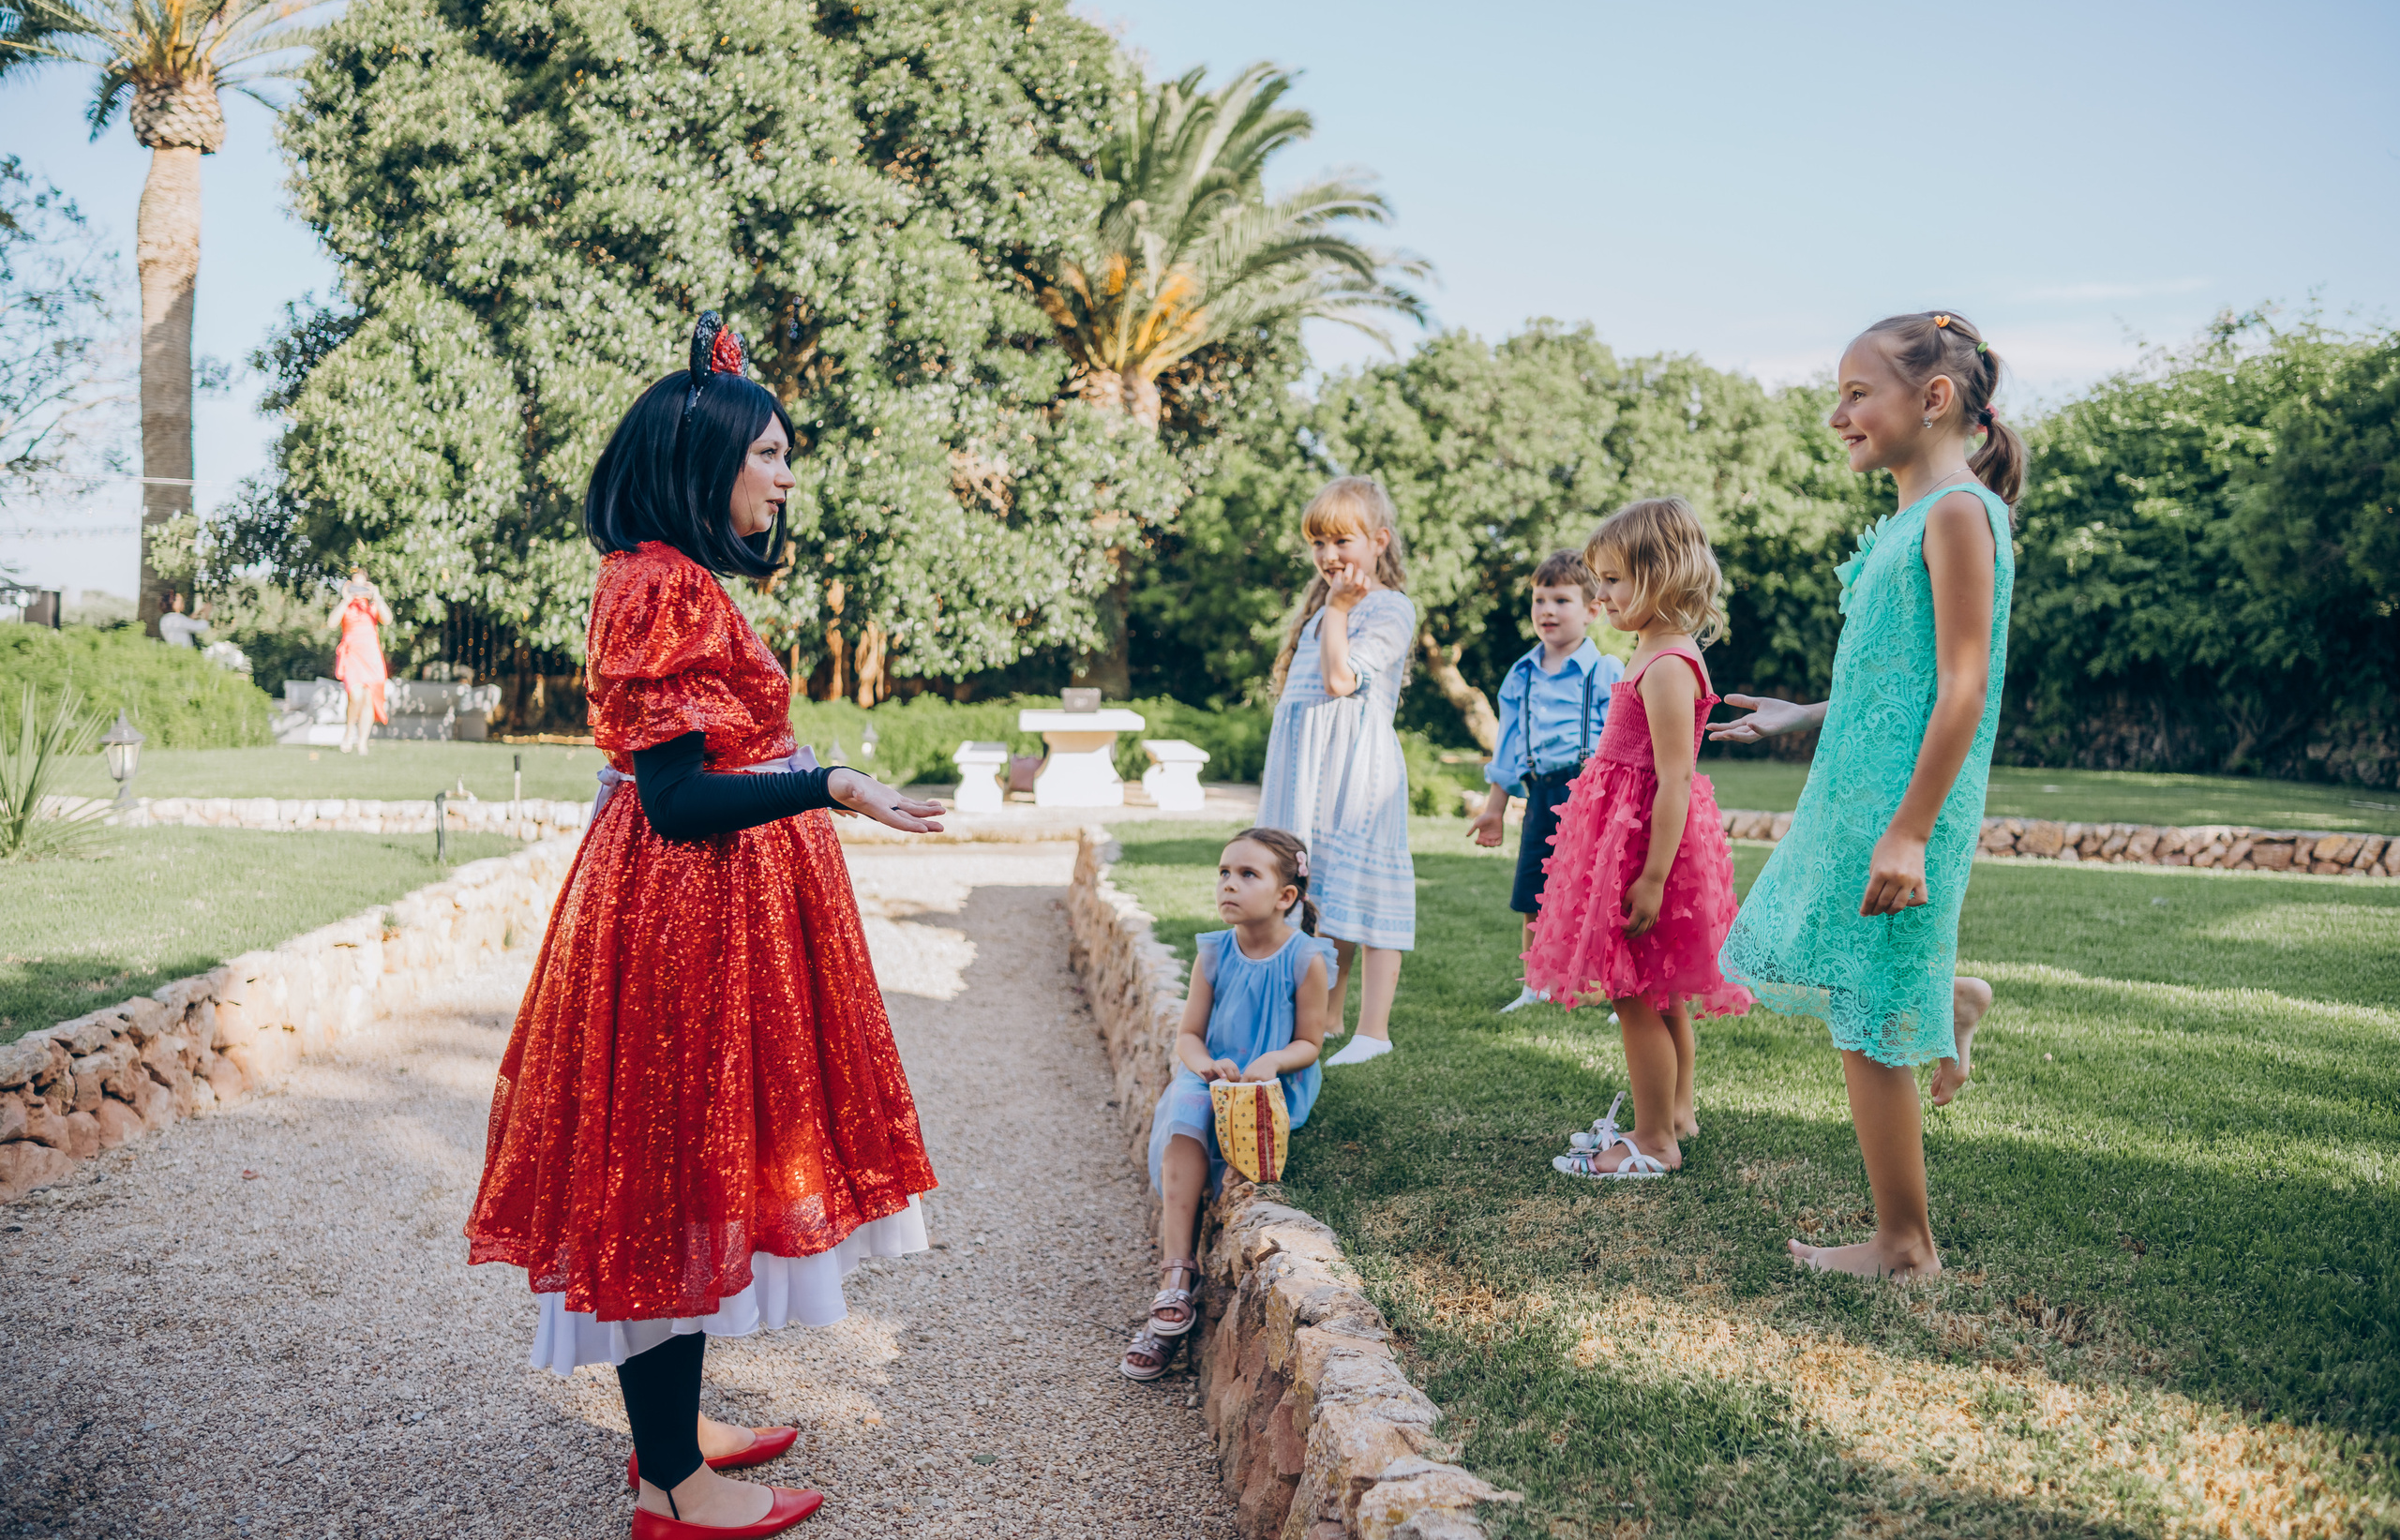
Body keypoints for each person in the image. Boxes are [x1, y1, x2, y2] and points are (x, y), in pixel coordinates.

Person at [465, 314, 946, 1537]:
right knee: (672, 1176)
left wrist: (813, 777)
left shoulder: (660, 575)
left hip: (701, 910)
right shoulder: (664, 583)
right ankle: (675, 1485)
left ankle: (671, 1440)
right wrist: (832, 784)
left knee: (685, 1171)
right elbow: (677, 800)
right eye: (772, 452)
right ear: (710, 461)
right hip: (687, 918)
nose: (786, 474)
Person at [1713, 310, 2020, 1278]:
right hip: (1857, 789)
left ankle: (1903, 1244)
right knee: (1858, 969)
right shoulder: (1907, 519)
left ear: (1932, 400)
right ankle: (1952, 1002)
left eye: (1856, 392)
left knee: (1864, 997)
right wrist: (1801, 712)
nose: (1835, 412)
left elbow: (1963, 686)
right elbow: (1899, 676)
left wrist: (1909, 832)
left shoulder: (1961, 513)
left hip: (1903, 804)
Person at [1523, 500, 1753, 1178]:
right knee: (1658, 988)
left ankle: (1654, 1140)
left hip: (1647, 847)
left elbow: (1676, 778)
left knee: (1633, 993)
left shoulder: (1671, 662)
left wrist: (1652, 876)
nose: (1602, 595)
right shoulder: (1651, 648)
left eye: (1615, 580)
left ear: (1662, 574)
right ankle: (1676, 1111)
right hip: (1626, 837)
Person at [1122, 828, 1331, 1381]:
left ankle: (1174, 1288)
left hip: (1269, 1082)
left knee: (1213, 1111)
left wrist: (1274, 1060)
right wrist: (1205, 1065)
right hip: (1213, 1075)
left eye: (1247, 874)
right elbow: (1188, 1036)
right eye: (1223, 872)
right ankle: (1176, 1276)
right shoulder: (1214, 952)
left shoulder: (1305, 958)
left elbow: (1311, 1042)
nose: (1229, 884)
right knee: (1188, 1111)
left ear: (1286, 896)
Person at [1256, 476, 1417, 1067]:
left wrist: (1340, 611)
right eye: (1318, 542)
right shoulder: (1326, 610)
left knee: (1367, 894)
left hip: (1357, 772)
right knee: (1321, 893)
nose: (1328, 555)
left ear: (1378, 541)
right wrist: (1332, 612)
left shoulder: (1390, 608)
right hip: (1309, 773)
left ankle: (1374, 1031)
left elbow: (1340, 682)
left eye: (1342, 541)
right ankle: (1324, 1017)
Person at [1469, 550, 1626, 1013]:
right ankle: (1536, 984)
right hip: (1541, 793)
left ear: (1593, 609)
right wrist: (1494, 809)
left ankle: (1614, 987)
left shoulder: (1606, 670)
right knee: (1535, 892)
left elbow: (1620, 741)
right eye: (1539, 600)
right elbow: (1509, 747)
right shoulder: (1521, 674)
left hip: (1593, 792)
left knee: (1599, 894)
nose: (1548, 611)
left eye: (1561, 600)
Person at [327, 568, 392, 755]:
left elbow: (387, 620)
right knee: (355, 695)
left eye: (362, 585)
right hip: (352, 655)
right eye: (355, 585)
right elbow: (332, 623)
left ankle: (362, 742)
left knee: (368, 699)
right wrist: (346, 598)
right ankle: (349, 732)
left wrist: (377, 597)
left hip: (371, 655)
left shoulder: (371, 607)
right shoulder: (346, 607)